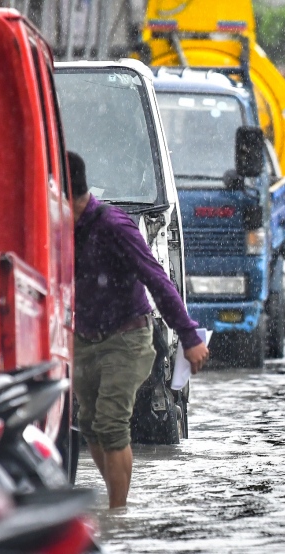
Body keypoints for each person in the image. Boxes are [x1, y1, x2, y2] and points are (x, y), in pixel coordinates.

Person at [68, 151, 209, 508]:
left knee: (112, 425)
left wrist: (189, 336)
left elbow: (157, 279)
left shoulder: (114, 225)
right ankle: (114, 496)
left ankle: (117, 515)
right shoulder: (59, 228)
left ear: (69, 192)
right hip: (84, 338)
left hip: (127, 338)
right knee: (89, 424)